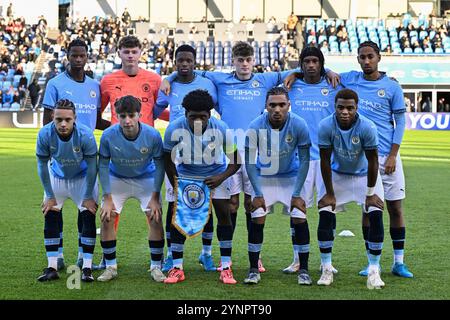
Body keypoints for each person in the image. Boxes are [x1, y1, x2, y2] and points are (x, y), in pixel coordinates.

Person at [161, 41, 295, 272]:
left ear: (254, 60)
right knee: (229, 205)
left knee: (253, 205)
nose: (244, 64)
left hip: (255, 151)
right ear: (232, 61)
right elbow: (189, 69)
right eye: (239, 60)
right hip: (226, 150)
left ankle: (256, 256)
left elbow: (297, 70)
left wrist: (328, 71)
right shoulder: (220, 79)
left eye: (248, 59)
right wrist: (169, 77)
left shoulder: (264, 79)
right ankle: (225, 259)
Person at [336, 42, 412, 279]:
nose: (366, 61)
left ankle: (399, 262)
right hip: (362, 158)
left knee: (395, 206)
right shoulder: (351, 79)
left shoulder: (391, 87)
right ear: (357, 59)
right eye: (362, 57)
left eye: (370, 57)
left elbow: (399, 122)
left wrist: (392, 154)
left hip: (387, 156)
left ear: (379, 57)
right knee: (368, 208)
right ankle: (371, 261)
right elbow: (328, 73)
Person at [42, 39, 108, 271]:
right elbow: (47, 120)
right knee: (53, 209)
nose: (78, 60)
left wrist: (121, 128)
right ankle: (57, 257)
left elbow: (98, 121)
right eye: (74, 55)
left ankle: (82, 256)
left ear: (87, 56)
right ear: (67, 56)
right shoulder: (55, 83)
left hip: (86, 159)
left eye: (82, 56)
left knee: (86, 210)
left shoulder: (94, 86)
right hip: (60, 158)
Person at [163, 89, 240, 284]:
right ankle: (177, 268)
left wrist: (221, 177)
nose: (198, 121)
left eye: (203, 117)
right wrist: (176, 183)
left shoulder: (221, 128)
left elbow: (236, 160)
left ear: (210, 114)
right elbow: (167, 159)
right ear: (185, 113)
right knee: (177, 219)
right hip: (187, 175)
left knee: (224, 216)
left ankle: (226, 267)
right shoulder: (174, 128)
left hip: (216, 175)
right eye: (193, 117)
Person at [153, 45, 219, 273]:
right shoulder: (168, 86)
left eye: (188, 60)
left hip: (205, 156)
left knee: (206, 208)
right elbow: (156, 110)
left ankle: (206, 254)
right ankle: (172, 255)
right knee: (174, 209)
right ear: (174, 61)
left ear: (194, 61)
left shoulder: (207, 83)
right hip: (179, 159)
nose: (184, 64)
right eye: (180, 60)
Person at [317, 88, 386, 289]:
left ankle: (374, 270)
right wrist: (330, 193)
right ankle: (327, 268)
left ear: (357, 108)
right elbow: (324, 160)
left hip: (365, 175)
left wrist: (371, 194)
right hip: (338, 175)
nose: (345, 112)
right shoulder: (325, 125)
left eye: (349, 108)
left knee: (375, 214)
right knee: (325, 212)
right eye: (340, 107)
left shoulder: (368, 127)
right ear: (335, 107)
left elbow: (373, 161)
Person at [282, 47, 342, 274]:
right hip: (299, 159)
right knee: (297, 209)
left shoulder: (334, 85)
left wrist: (330, 70)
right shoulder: (290, 85)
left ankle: (327, 260)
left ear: (321, 64)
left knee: (328, 207)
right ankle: (297, 258)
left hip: (327, 159)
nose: (310, 65)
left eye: (315, 61)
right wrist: (294, 74)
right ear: (300, 64)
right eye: (306, 61)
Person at [244, 87, 311, 285]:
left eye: (282, 105)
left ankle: (304, 270)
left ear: (289, 106)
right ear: (266, 106)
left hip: (291, 178)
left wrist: (297, 193)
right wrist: (257, 193)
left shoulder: (299, 124)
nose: (277, 109)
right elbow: (249, 162)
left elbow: (305, 161)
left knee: (299, 217)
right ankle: (254, 269)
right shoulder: (255, 126)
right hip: (264, 179)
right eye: (272, 105)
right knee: (257, 218)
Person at [97, 95, 166, 282]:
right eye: (122, 116)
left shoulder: (152, 135)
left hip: (146, 178)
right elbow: (102, 165)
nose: (127, 121)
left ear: (139, 115)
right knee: (107, 217)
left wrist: (155, 196)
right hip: (117, 178)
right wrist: (107, 197)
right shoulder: (108, 135)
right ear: (116, 116)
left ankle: (156, 267)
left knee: (155, 216)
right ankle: (110, 266)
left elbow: (160, 165)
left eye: (131, 115)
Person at [36, 99, 98, 282]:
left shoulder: (85, 135)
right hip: (57, 177)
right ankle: (52, 266)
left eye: (67, 120)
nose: (63, 124)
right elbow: (41, 165)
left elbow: (93, 167)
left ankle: (86, 267)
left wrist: (87, 196)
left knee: (88, 214)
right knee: (51, 214)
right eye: (58, 119)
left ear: (75, 119)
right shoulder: (45, 134)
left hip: (83, 177)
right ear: (52, 118)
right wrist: (49, 195)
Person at [100, 36, 169, 127]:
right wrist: (114, 128)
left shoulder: (154, 79)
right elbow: (97, 113)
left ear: (140, 53)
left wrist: (181, 117)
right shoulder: (107, 81)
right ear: (119, 53)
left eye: (134, 52)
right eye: (126, 52)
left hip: (145, 137)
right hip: (118, 138)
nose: (130, 56)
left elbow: (159, 111)